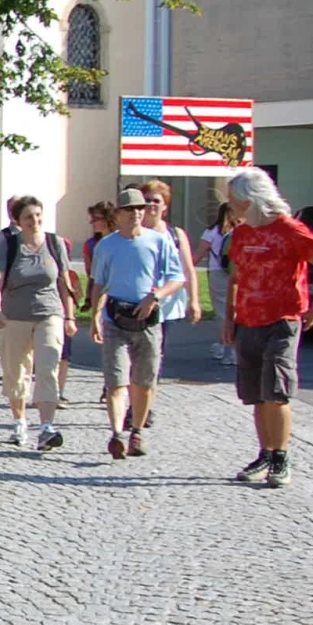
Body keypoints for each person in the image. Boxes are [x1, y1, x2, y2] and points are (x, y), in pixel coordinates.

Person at [220, 167, 313, 487]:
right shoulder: (242, 234)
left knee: (276, 392)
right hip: (247, 321)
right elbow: (235, 278)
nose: (230, 207)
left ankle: (281, 456)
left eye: (234, 201)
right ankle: (265, 452)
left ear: (252, 199)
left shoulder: (290, 229)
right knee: (256, 394)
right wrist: (229, 319)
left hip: (282, 321)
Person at [87, 187, 185, 458]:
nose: (136, 214)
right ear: (118, 215)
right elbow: (99, 283)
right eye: (129, 209)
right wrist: (95, 315)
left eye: (140, 209)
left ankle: (137, 431)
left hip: (148, 320)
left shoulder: (159, 241)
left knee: (144, 381)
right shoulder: (107, 245)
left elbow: (177, 278)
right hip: (115, 319)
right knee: (117, 380)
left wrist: (155, 296)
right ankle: (117, 433)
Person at [0, 195, 76, 451]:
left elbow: (64, 282)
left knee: (48, 366)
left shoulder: (54, 242)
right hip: (15, 315)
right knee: (17, 373)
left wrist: (69, 315)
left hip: (50, 312)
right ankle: (20, 421)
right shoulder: (8, 243)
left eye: (38, 215)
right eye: (28, 217)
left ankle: (47, 427)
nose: (34, 221)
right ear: (18, 220)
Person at [141, 180, 205, 373]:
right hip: (138, 298)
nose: (151, 204)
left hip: (166, 301)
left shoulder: (175, 234)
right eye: (147, 200)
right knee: (135, 346)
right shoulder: (133, 232)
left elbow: (188, 269)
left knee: (156, 349)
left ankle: (147, 390)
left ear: (165, 206)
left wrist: (194, 301)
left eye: (156, 200)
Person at [199, 201, 235, 364]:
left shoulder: (212, 231)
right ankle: (227, 345)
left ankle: (226, 348)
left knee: (221, 311)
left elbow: (199, 253)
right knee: (234, 310)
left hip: (217, 272)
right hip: (236, 272)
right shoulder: (240, 230)